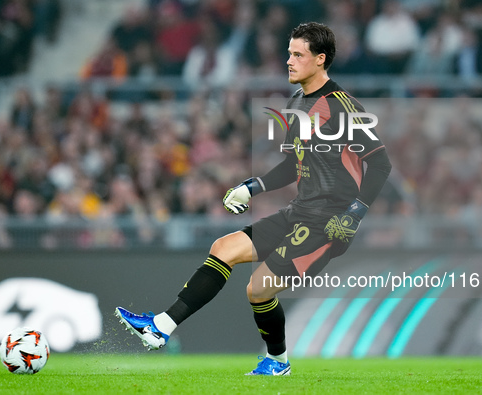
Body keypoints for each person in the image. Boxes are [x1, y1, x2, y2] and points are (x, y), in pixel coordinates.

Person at [116, 22, 392, 376]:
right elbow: (295, 164)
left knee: (258, 289)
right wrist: (253, 186)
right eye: (289, 53)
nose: (288, 61)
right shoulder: (297, 102)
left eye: (297, 54)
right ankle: (162, 326)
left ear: (321, 60)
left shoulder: (342, 106)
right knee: (224, 248)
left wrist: (354, 214)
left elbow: (380, 164)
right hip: (300, 211)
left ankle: (278, 362)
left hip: (328, 221)